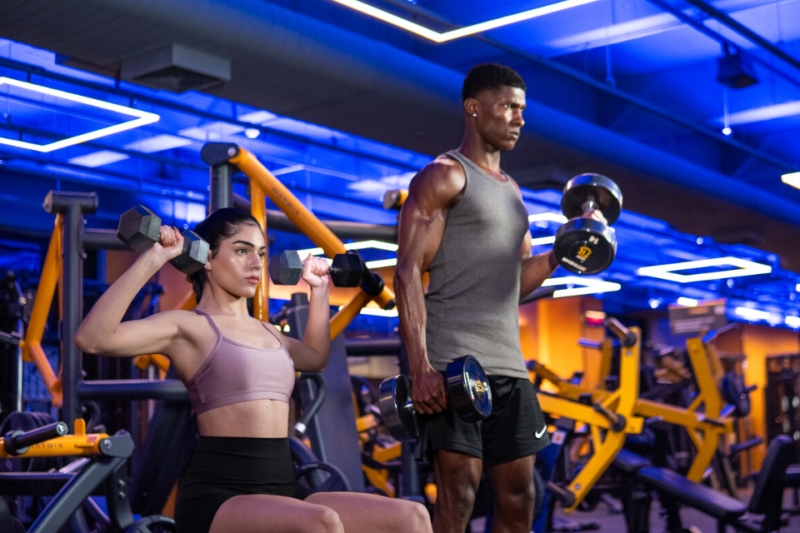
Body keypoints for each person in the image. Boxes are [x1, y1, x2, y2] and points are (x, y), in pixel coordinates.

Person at [76, 208, 432, 533]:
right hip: (219, 497)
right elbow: (92, 339)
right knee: (322, 524)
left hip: (282, 487)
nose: (256, 264)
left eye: (261, 253)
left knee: (412, 517)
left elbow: (314, 357)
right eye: (242, 250)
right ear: (208, 258)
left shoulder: (270, 332)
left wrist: (319, 290)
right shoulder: (189, 327)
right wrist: (156, 256)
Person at [394, 64, 606, 533]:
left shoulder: (513, 194)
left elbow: (512, 286)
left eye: (522, 109)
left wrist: (560, 252)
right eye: (509, 106)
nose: (519, 118)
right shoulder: (445, 176)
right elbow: (408, 270)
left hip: (510, 366)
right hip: (455, 364)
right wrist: (421, 366)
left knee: (520, 498)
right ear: (473, 107)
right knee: (459, 495)